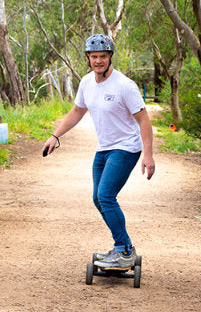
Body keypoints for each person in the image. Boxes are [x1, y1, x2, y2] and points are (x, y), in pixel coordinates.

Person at [42, 33, 155, 268]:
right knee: (98, 198)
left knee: (106, 196)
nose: (98, 61)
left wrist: (148, 155)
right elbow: (77, 111)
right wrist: (55, 136)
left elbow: (144, 119)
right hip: (104, 149)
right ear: (88, 58)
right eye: (94, 57)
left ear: (110, 56)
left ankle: (123, 250)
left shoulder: (124, 85)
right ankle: (123, 247)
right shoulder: (86, 83)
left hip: (125, 148)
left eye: (103, 56)